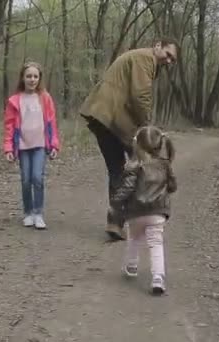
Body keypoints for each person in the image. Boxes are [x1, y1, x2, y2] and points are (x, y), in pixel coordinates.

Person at [78, 37, 180, 241]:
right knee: (143, 166)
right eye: (168, 55)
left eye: (172, 60)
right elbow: (140, 95)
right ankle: (145, 218)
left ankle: (116, 222)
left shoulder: (141, 59)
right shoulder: (145, 59)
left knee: (118, 169)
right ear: (158, 45)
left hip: (103, 117)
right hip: (113, 119)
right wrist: (148, 126)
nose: (169, 61)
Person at [109, 125, 177, 295]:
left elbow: (127, 188)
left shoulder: (135, 165)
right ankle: (158, 278)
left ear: (137, 145)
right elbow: (172, 186)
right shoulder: (165, 165)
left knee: (134, 239)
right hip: (157, 213)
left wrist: (116, 203)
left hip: (136, 213)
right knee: (156, 244)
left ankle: (132, 266)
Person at [3, 62, 60, 230]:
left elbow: (52, 123)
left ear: (39, 78)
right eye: (28, 76)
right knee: (26, 180)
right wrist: (8, 148)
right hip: (22, 146)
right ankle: (28, 212)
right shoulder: (15, 100)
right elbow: (9, 125)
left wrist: (54, 145)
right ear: (23, 78)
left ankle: (38, 213)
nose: (32, 79)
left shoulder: (45, 98)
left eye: (35, 76)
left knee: (37, 178)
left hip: (40, 145)